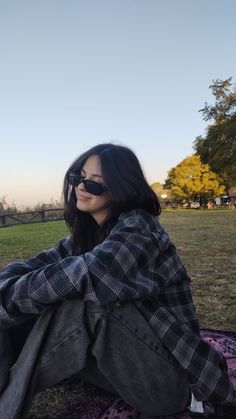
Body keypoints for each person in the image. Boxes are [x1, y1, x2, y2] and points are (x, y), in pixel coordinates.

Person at [0, 143, 235, 419]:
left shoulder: (140, 230)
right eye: (79, 177)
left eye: (95, 183)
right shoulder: (87, 236)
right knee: (23, 300)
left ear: (122, 188)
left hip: (174, 383)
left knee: (87, 303)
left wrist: (9, 298)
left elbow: (93, 276)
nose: (81, 186)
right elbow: (35, 265)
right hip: (122, 370)